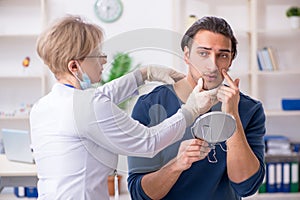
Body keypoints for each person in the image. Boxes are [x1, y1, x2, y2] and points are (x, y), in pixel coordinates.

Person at [29, 15, 218, 200]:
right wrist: (190, 110)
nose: (103, 60)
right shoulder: (88, 107)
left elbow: (101, 96)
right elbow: (149, 142)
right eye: (97, 55)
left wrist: (144, 74)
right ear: (74, 66)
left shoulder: (43, 106)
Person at [127, 16, 266, 200]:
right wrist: (178, 164)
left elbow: (246, 187)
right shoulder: (150, 105)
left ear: (230, 60)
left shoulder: (249, 110)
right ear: (186, 55)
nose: (212, 65)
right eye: (203, 53)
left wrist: (231, 116)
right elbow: (139, 194)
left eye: (222, 55)